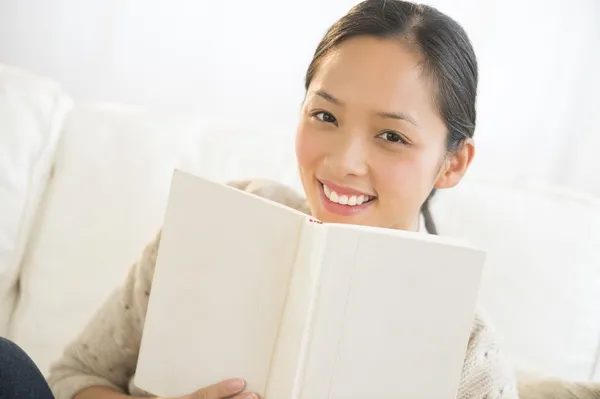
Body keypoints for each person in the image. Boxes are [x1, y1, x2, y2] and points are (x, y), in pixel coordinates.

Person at [15, 0, 522, 398]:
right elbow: (72, 378)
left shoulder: (469, 350)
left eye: (392, 136)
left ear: (453, 162)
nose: (343, 160)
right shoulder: (219, 219)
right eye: (325, 116)